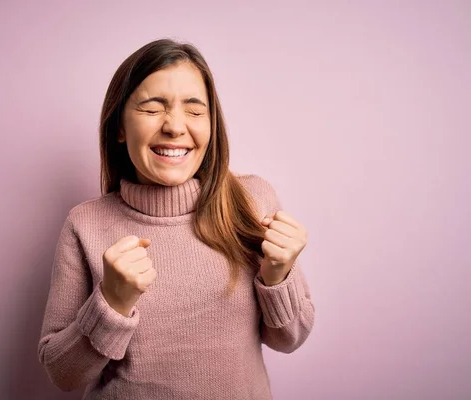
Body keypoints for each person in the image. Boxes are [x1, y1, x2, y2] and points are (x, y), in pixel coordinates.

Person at [37, 38, 315, 399]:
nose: (175, 126)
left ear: (212, 126)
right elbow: (62, 374)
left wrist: (278, 277)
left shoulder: (253, 201)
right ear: (120, 127)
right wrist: (111, 302)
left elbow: (291, 338)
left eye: (195, 111)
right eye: (153, 108)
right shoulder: (85, 224)